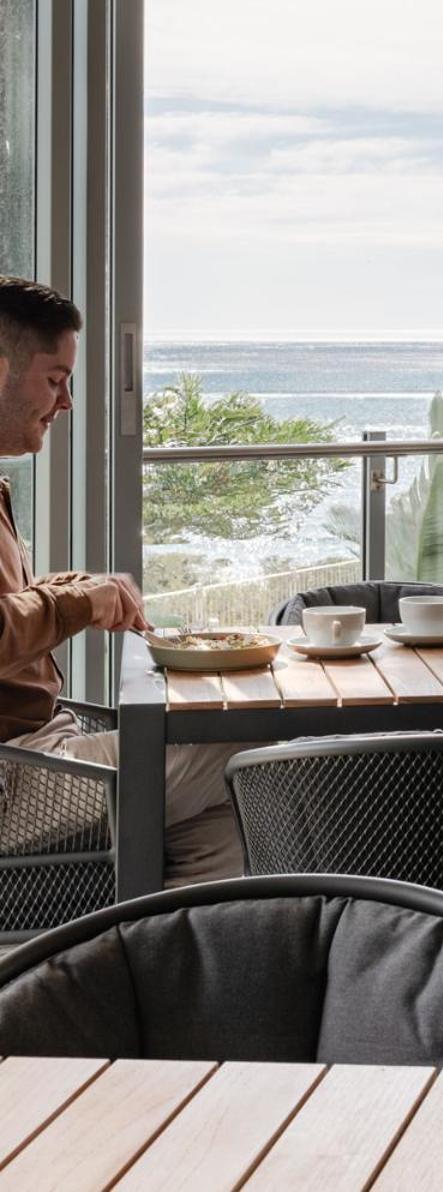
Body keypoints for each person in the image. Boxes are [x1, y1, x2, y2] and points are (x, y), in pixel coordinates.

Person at [0, 276, 243, 885]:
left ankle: (190, 958)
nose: (67, 403)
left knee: (215, 824)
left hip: (42, 752)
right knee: (239, 744)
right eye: (54, 380)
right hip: (17, 779)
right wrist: (78, 601)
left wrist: (76, 586)